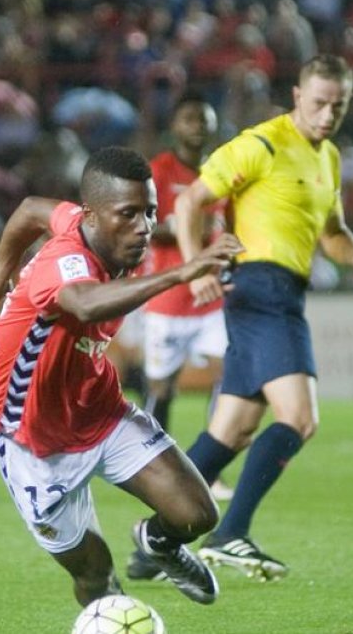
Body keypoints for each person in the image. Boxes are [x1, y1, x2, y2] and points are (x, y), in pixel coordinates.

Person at [0, 147, 243, 607]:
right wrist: (181, 272)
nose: (144, 226)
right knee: (96, 575)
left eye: (149, 212)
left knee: (197, 514)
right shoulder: (66, 260)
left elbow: (31, 209)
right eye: (128, 214)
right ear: (92, 216)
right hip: (29, 437)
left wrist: (0, 267)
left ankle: (157, 544)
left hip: (98, 410)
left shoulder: (86, 224)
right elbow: (84, 304)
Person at [172, 54, 353, 580]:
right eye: (319, 103)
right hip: (262, 287)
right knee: (299, 419)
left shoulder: (329, 158)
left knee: (233, 428)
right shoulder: (262, 144)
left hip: (279, 293)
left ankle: (154, 537)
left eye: (338, 106)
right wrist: (195, 268)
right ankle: (230, 533)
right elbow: (190, 202)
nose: (328, 115)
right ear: (297, 96)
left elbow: (332, 232)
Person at [126, 92, 234, 581]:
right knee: (161, 389)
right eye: (190, 119)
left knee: (230, 372)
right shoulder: (160, 170)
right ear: (176, 126)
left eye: (204, 120)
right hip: (169, 298)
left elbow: (224, 222)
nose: (197, 127)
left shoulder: (219, 171)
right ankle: (152, 463)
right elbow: (147, 225)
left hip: (211, 297)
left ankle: (215, 465)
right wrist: (186, 227)